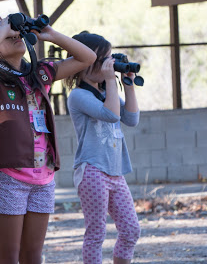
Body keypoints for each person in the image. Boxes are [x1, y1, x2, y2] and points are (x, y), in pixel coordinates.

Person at [0, 18, 97, 264]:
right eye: (8, 35)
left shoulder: (39, 73)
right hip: (8, 175)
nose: (15, 35)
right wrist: (2, 29)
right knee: (8, 255)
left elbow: (87, 58)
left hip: (43, 176)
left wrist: (50, 34)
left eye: (18, 33)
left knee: (32, 255)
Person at [66, 31, 141, 264]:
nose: (109, 65)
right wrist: (110, 80)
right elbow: (110, 115)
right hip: (92, 170)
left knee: (131, 230)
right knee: (96, 233)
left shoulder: (103, 92)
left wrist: (127, 83)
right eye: (103, 60)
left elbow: (131, 119)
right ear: (84, 63)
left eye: (111, 59)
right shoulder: (78, 95)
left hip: (115, 171)